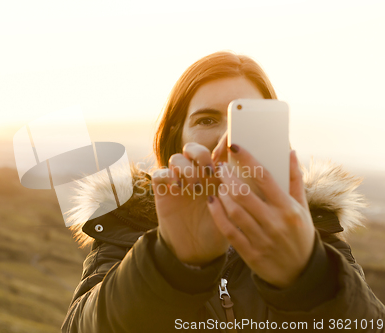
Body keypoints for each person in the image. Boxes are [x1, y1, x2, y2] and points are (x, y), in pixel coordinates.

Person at [61, 51, 385, 332]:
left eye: (246, 123)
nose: (227, 140)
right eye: (206, 120)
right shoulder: (126, 226)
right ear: (177, 136)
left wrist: (308, 278)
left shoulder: (312, 231)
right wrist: (169, 262)